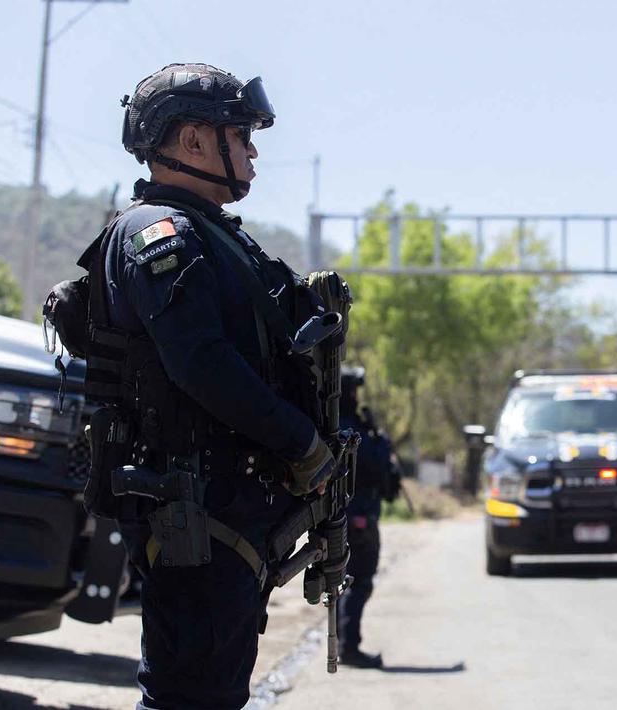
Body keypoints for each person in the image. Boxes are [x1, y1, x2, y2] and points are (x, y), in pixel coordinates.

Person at [88, 63, 343, 709]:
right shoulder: (158, 234)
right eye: (240, 133)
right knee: (189, 697)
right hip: (195, 510)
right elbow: (198, 362)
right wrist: (301, 443)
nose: (253, 150)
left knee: (212, 692)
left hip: (227, 508)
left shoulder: (215, 235)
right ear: (194, 141)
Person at [335, 366, 401, 669]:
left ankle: (342, 644)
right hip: (357, 515)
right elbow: (375, 464)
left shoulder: (336, 424)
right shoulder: (349, 430)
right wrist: (381, 440)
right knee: (357, 581)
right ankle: (348, 647)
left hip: (346, 515)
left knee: (344, 581)